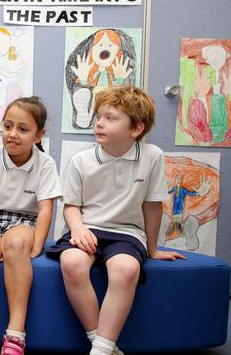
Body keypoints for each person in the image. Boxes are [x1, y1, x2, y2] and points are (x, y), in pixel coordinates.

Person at [46, 86, 186, 355]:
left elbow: (152, 205)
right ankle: (102, 344)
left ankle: (100, 349)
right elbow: (71, 206)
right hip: (86, 227)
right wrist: (77, 228)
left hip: (127, 232)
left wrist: (153, 250)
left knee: (126, 269)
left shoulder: (153, 156)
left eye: (110, 118)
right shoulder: (80, 160)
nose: (99, 123)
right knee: (72, 262)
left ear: (136, 129)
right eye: (99, 116)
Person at [0, 97, 61, 355]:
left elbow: (45, 210)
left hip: (23, 220)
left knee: (16, 245)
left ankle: (15, 335)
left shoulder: (46, 164)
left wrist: (37, 246)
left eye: (23, 129)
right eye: (7, 127)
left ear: (39, 134)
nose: (13, 134)